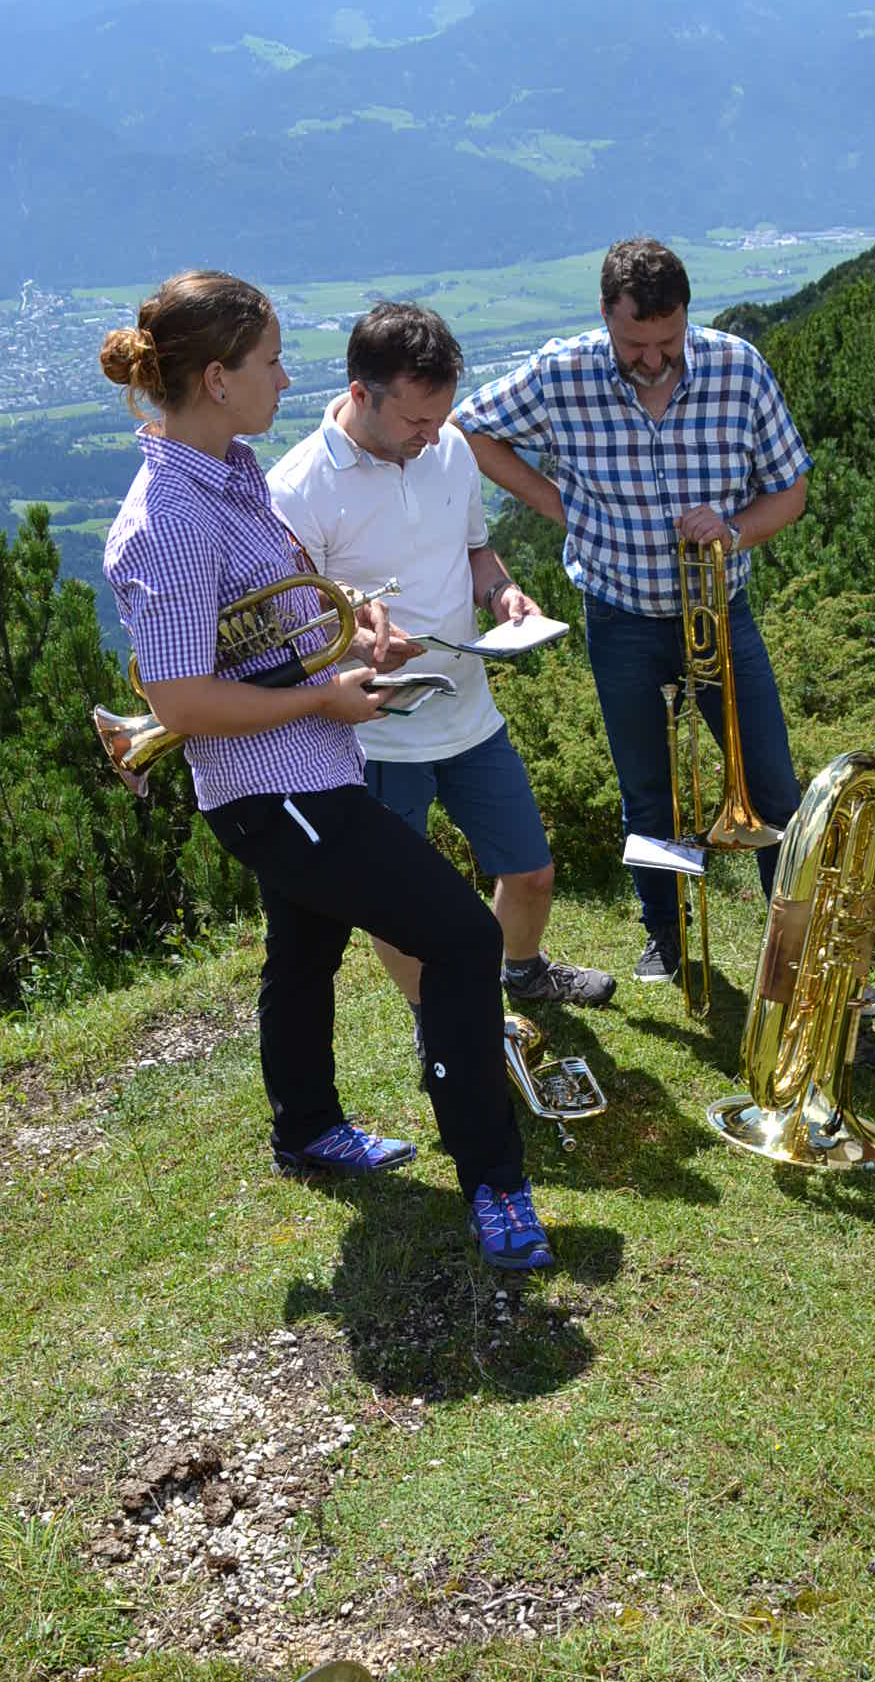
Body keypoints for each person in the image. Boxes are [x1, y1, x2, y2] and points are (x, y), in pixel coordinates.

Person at [100, 270, 556, 1274]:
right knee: (462, 937)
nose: (284, 375)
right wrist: (323, 698)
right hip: (279, 790)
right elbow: (178, 700)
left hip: (306, 768)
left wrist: (351, 621)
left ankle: (306, 1128)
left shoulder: (230, 472)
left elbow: (269, 611)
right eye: (268, 360)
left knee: (302, 959)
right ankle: (495, 1182)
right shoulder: (171, 514)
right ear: (217, 378)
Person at [267, 301, 614, 1079]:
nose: (431, 436)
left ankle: (521, 971)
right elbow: (296, 626)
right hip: (376, 729)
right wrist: (362, 640)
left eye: (440, 418)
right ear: (361, 394)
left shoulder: (450, 448)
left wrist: (504, 596)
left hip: (468, 708)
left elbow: (478, 554)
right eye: (416, 420)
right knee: (399, 902)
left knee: (530, 870)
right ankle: (436, 1018)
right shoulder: (298, 487)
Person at [453, 237, 811, 984]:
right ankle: (667, 937)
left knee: (772, 784)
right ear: (605, 319)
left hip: (720, 611)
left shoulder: (738, 367)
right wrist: (561, 507)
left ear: (688, 316)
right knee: (647, 793)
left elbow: (791, 490)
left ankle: (796, 936)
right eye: (634, 344)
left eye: (668, 342)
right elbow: (469, 430)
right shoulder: (563, 369)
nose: (652, 360)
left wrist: (735, 530)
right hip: (617, 618)